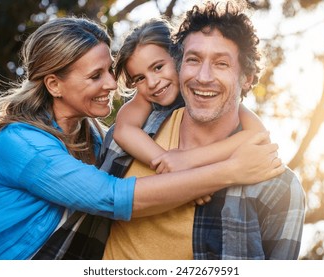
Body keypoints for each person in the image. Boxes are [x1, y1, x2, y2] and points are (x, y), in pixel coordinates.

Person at [0, 16, 283, 260]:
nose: (113, 85)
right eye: (96, 76)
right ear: (54, 85)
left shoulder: (97, 141)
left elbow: (252, 129)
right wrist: (228, 172)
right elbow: (112, 197)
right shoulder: (22, 144)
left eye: (110, 70)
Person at [102, 1, 305, 260]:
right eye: (194, 60)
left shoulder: (278, 188)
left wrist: (186, 161)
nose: (203, 77)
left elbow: (259, 137)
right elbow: (100, 205)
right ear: (180, 65)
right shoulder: (130, 137)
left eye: (221, 64)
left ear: (247, 78)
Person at [112, 17, 268, 176]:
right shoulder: (145, 98)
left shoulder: (218, 97)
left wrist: (190, 159)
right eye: (139, 78)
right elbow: (123, 130)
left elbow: (259, 136)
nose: (151, 83)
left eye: (158, 67)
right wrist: (171, 166)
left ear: (178, 58)